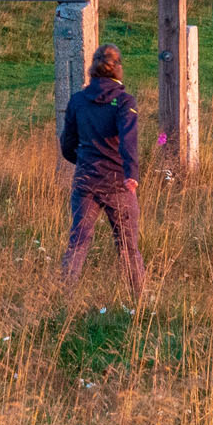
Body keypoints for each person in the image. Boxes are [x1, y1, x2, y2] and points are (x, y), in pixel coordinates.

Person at [58, 43, 147, 299]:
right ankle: (139, 303)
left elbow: (67, 144)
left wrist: (84, 163)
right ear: (117, 68)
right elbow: (128, 138)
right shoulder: (124, 101)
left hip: (85, 181)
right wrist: (132, 173)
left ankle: (63, 298)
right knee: (128, 248)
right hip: (118, 183)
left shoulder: (77, 101)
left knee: (78, 242)